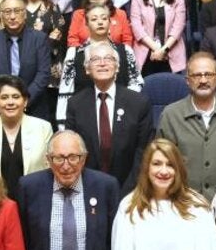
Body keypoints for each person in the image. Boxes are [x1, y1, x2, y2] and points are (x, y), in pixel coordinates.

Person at [157, 50, 216, 199]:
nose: (203, 80)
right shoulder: (170, 115)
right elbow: (161, 165)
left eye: (208, 75)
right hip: (184, 205)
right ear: (187, 80)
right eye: (197, 75)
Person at [65, 40, 153, 191]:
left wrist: (128, 191)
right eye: (95, 59)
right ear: (87, 69)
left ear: (117, 67)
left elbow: (144, 151)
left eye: (108, 58)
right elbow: (74, 152)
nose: (102, 63)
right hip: (88, 187)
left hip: (132, 189)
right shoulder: (75, 104)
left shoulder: (138, 103)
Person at [0, 75, 52, 196]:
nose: (10, 102)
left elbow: (50, 170)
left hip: (35, 199)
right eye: (4, 97)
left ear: (25, 101)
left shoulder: (43, 128)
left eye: (16, 97)